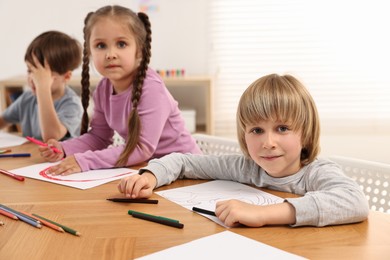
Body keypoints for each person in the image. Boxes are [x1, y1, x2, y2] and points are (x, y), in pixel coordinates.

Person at [118, 73, 369, 228]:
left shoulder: (315, 173)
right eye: (257, 130)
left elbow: (354, 202)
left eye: (282, 128)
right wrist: (150, 175)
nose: (268, 142)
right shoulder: (245, 167)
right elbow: (184, 162)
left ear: (305, 133)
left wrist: (263, 214)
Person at [39, 5, 201, 175]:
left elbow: (141, 148)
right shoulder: (103, 88)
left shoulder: (151, 88)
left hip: (185, 172)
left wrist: (84, 160)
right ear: (90, 52)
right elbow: (99, 137)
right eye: (101, 45)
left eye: (121, 44)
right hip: (150, 171)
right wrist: (64, 148)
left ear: (139, 50)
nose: (110, 54)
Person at [0, 31, 83, 141]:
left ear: (66, 77)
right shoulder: (27, 99)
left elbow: (51, 137)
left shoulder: (72, 105)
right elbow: (2, 121)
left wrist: (43, 88)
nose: (33, 79)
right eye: (30, 71)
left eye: (42, 75)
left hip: (60, 158)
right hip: (32, 156)